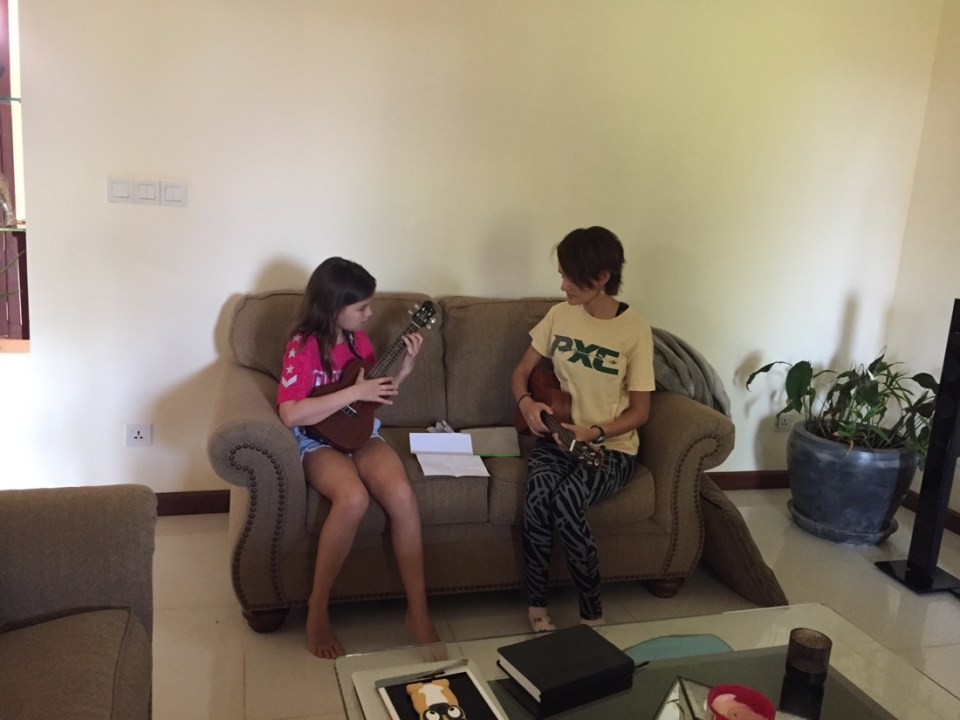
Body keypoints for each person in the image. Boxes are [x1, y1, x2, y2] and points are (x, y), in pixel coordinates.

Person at [276, 257, 440, 658]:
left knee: (402, 495)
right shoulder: (302, 346)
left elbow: (369, 400)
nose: (369, 314)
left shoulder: (359, 343)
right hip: (315, 439)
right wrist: (354, 393)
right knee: (352, 499)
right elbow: (291, 413)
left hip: (360, 432)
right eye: (362, 307)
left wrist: (403, 371)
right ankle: (318, 608)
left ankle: (418, 611)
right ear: (334, 307)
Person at [510, 226, 655, 632]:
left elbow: (640, 411)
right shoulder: (559, 315)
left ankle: (592, 615)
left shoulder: (634, 330)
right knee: (539, 497)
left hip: (611, 447)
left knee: (567, 501)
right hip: (558, 438)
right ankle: (536, 607)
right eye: (562, 275)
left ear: (603, 277)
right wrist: (526, 402)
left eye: (572, 278)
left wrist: (596, 431)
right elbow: (520, 372)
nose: (563, 286)